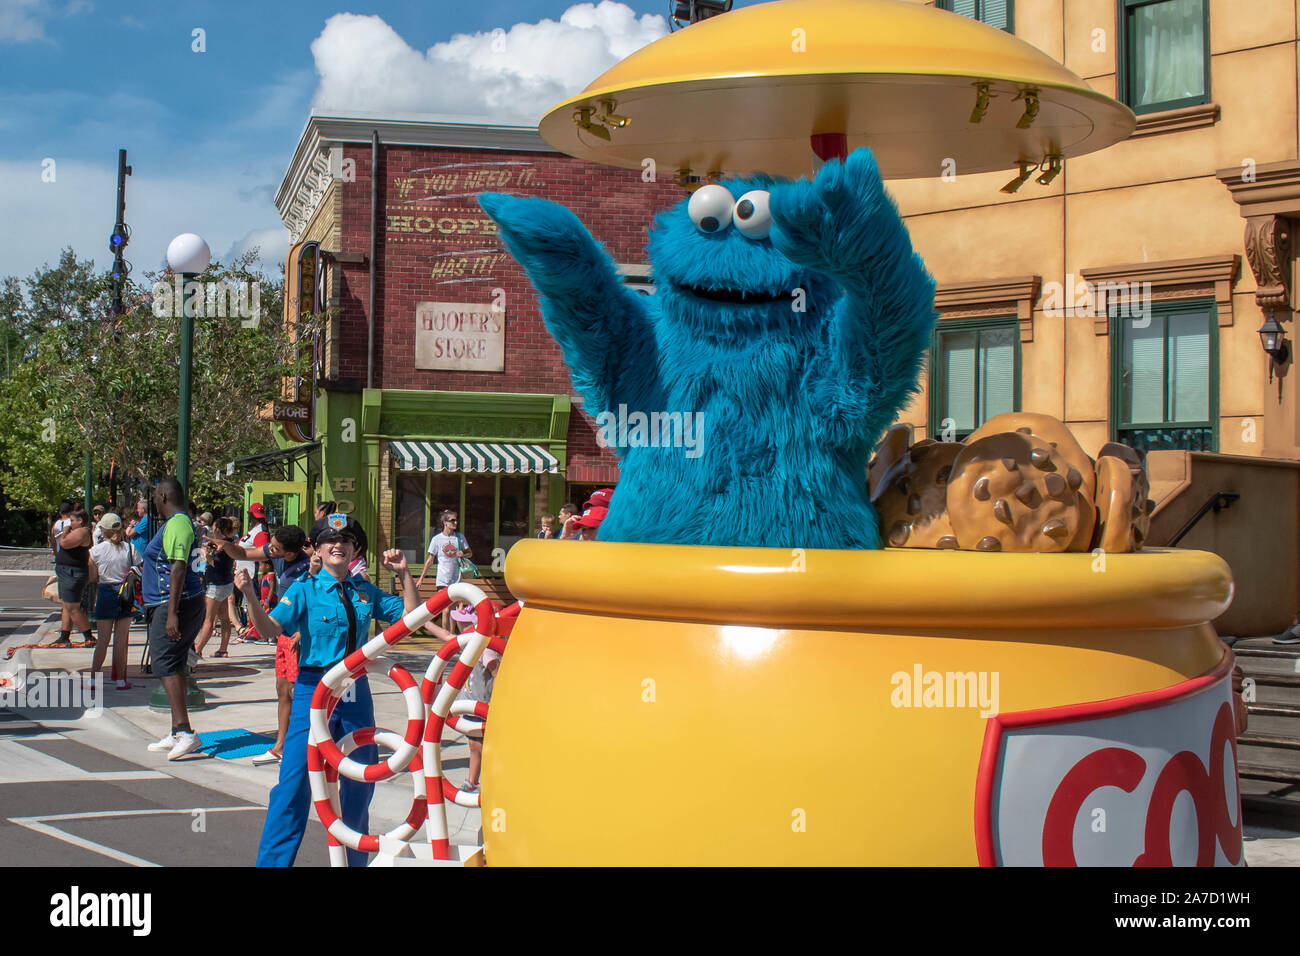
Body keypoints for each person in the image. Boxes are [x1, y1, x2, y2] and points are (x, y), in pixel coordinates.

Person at [235, 523, 421, 867]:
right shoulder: (304, 589)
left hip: (355, 692)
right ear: (316, 550)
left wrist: (404, 573)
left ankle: (354, 863)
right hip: (314, 690)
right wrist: (248, 594)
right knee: (293, 785)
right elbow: (268, 629)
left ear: (354, 551)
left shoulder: (364, 591)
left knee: (359, 785)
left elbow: (411, 619)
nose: (338, 545)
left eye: (346, 541)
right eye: (330, 540)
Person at [213, 525, 313, 761]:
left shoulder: (306, 569)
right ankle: (280, 746)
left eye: (276, 547)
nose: (270, 549)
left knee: (295, 691)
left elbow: (313, 602)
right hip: (283, 633)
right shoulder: (275, 553)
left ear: (289, 552)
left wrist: (303, 633)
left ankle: (300, 746)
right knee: (282, 690)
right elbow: (244, 554)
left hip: (299, 636)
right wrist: (226, 546)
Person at [141, 477, 207, 760]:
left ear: (164, 496)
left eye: (155, 496)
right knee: (176, 662)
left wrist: (171, 614)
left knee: (165, 663)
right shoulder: (183, 523)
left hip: (174, 603)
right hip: (181, 602)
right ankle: (175, 730)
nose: (154, 501)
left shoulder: (178, 523)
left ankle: (184, 732)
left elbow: (178, 567)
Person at [88, 512, 140, 689]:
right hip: (125, 592)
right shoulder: (130, 549)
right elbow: (139, 567)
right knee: (120, 640)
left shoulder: (96, 551)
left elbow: (93, 577)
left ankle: (94, 678)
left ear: (103, 530)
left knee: (103, 640)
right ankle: (120, 679)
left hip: (105, 591)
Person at [194, 517, 237, 658]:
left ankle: (198, 649)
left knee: (209, 619)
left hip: (216, 584)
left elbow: (218, 565)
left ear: (217, 529)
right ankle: (223, 649)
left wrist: (206, 555)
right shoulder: (229, 543)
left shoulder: (223, 545)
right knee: (224, 617)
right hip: (226, 584)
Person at [53, 506, 95, 646]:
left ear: (80, 520)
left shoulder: (83, 532)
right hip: (66, 571)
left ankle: (89, 637)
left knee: (72, 606)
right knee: (66, 605)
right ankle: (64, 637)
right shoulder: (77, 531)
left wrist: (65, 531)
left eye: (72, 521)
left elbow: (64, 543)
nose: (69, 523)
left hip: (73, 572)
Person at [233, 503, 271, 636]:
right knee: (248, 603)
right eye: (256, 516)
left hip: (253, 572)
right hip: (246, 572)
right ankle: (252, 630)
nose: (257, 519)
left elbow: (263, 555)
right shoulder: (253, 530)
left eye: (259, 517)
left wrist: (260, 572)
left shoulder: (261, 531)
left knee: (254, 602)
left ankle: (256, 632)